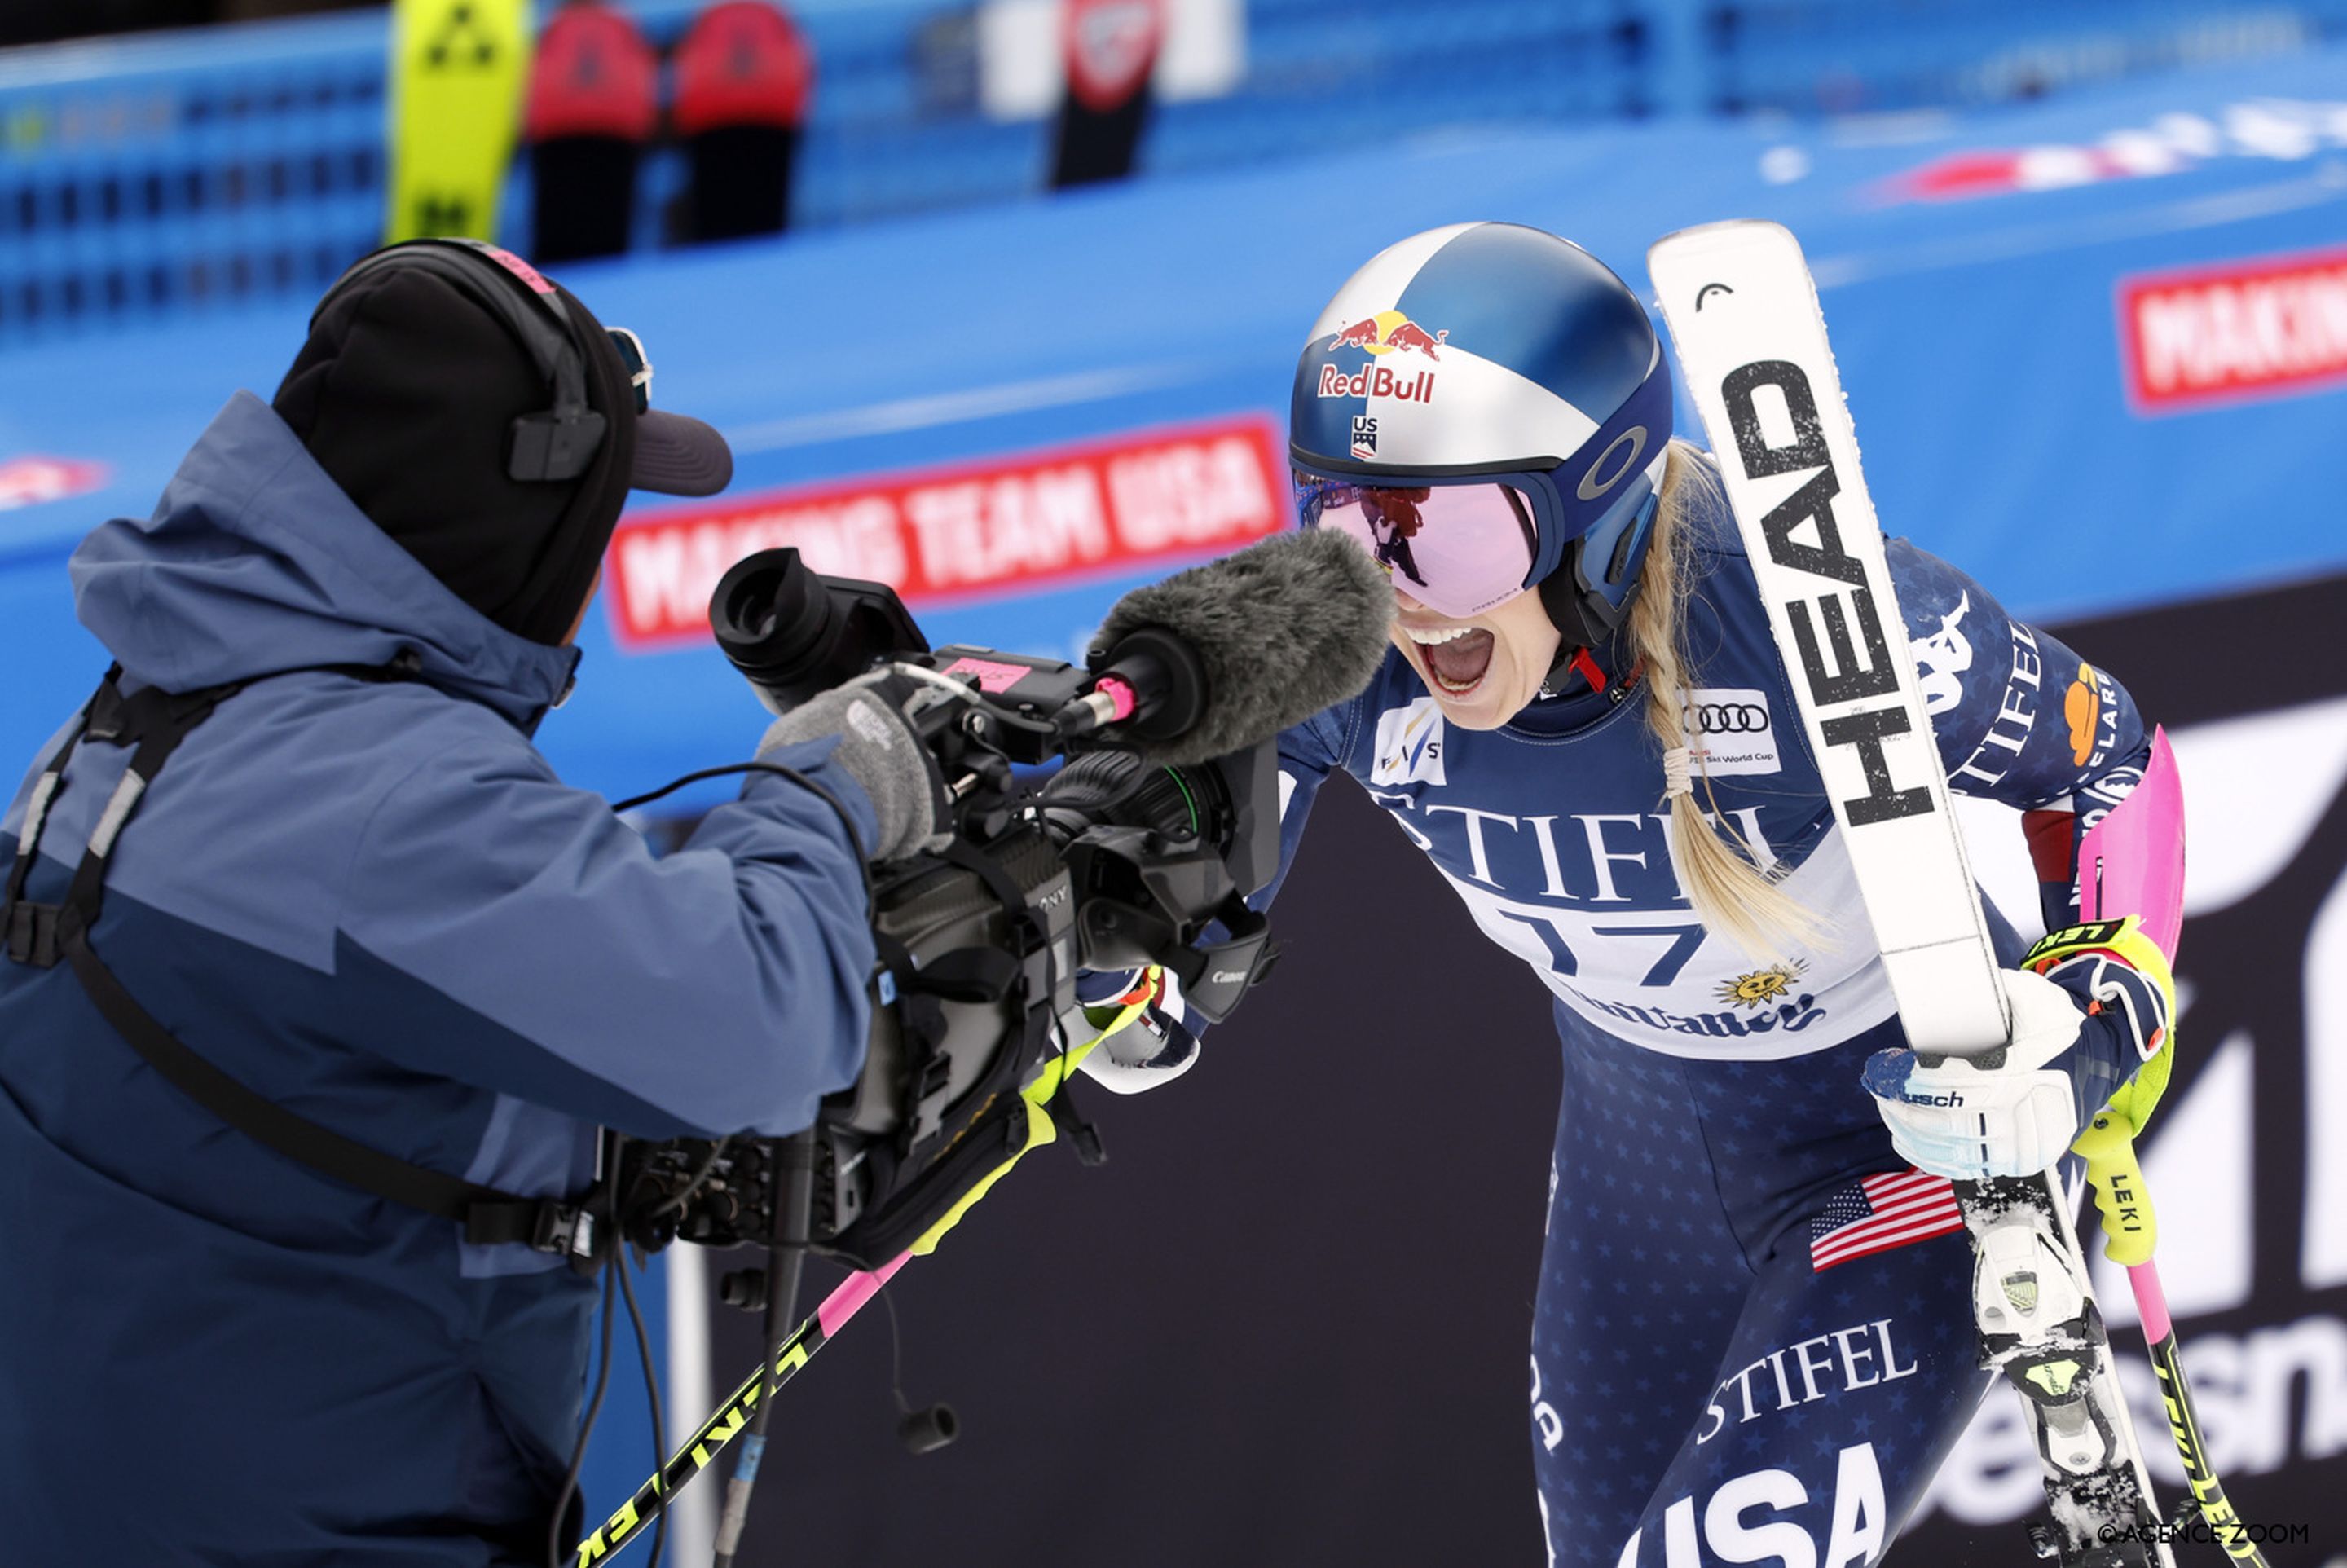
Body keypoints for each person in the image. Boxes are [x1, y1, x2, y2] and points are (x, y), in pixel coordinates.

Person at [1093, 223, 2178, 1561]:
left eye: (1456, 534)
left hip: (1900, 1163)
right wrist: (1112, 956)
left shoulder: (1795, 621)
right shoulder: (1345, 644)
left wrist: (2092, 1022)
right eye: (1350, 526)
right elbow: (1163, 971)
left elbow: (2116, 771)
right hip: (1640, 1180)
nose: (1408, 604)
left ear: (1595, 510)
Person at [0, 240, 944, 1566]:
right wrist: (826, 785)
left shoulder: (122, 722)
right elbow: (762, 1023)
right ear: (514, 527)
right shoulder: (388, 797)